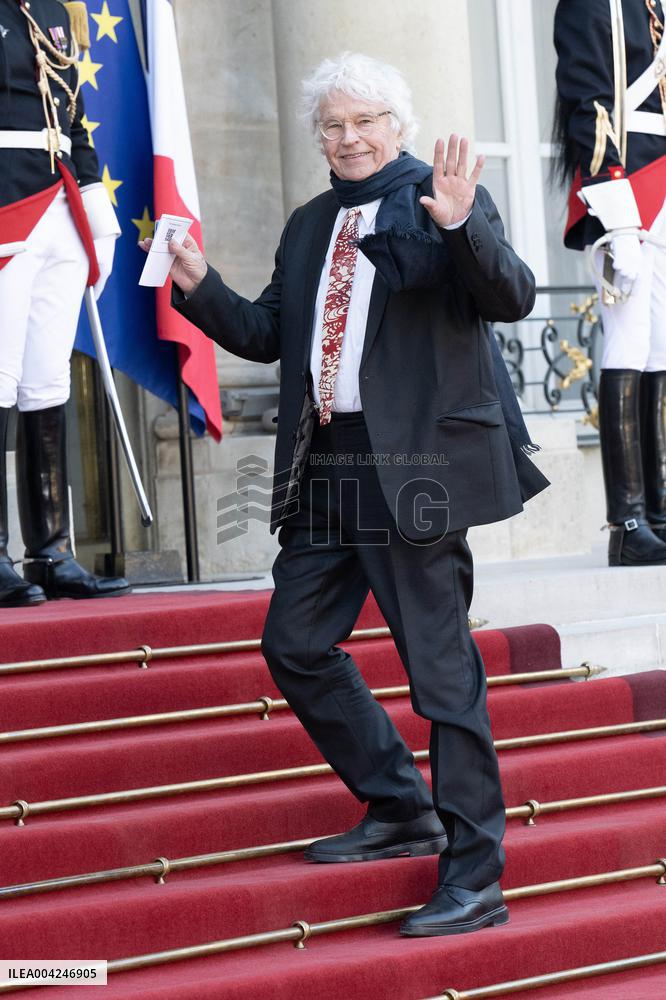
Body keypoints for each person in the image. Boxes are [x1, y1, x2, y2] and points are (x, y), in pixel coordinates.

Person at [146, 52, 548, 937]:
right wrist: (199, 289)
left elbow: (510, 294)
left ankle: (476, 874)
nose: (348, 136)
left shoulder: (440, 195)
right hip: (327, 464)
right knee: (294, 643)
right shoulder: (309, 221)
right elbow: (269, 334)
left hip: (417, 467)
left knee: (442, 679)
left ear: (396, 125)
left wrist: (459, 226)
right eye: (332, 123)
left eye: (364, 120)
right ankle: (399, 803)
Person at [0, 0, 130, 604]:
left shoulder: (52, 7)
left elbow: (73, 116)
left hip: (58, 203)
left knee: (47, 378)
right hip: (5, 202)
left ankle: (49, 550)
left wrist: (91, 195)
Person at [554, 0, 666, 566]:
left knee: (660, 345)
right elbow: (588, 99)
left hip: (663, 179)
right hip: (628, 184)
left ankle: (659, 510)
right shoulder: (589, 4)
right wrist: (615, 207)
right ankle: (626, 522)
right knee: (627, 339)